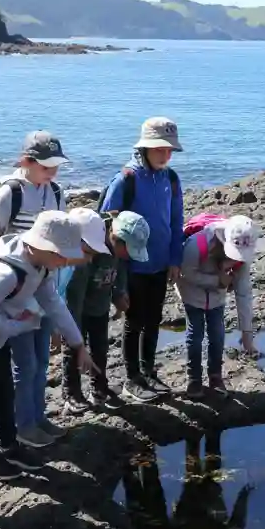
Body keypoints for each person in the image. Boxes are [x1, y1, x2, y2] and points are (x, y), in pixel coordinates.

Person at [0, 211, 93, 481]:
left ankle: (9, 446)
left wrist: (78, 343)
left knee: (6, 394)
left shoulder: (40, 266)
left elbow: (54, 304)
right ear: (42, 246)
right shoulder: (6, 272)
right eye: (61, 254)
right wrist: (16, 327)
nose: (65, 261)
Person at [0, 131, 71, 444]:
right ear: (26, 161)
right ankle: (22, 426)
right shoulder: (10, 193)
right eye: (45, 165)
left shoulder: (55, 191)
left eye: (55, 165)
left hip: (46, 287)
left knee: (41, 362)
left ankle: (38, 417)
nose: (52, 171)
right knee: (24, 365)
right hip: (16, 293)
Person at [99, 117, 184, 403]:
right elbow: (108, 228)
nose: (166, 155)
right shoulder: (126, 179)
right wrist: (116, 280)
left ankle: (149, 371)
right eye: (160, 149)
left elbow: (176, 221)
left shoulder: (170, 178)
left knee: (154, 319)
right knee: (133, 322)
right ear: (145, 148)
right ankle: (131, 378)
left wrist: (175, 259)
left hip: (160, 263)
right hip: (132, 266)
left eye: (170, 150)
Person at [62, 208, 151, 411]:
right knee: (74, 351)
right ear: (116, 238)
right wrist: (72, 333)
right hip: (79, 309)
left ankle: (100, 388)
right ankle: (72, 393)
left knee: (101, 349)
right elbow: (75, 296)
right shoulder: (89, 254)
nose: (128, 256)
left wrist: (119, 293)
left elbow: (120, 270)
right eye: (128, 251)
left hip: (100, 306)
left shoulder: (118, 250)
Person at [176, 214, 259, 396]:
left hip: (217, 296)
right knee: (195, 333)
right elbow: (185, 274)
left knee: (217, 333)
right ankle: (194, 380)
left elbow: (243, 292)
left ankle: (215, 377)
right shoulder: (197, 245)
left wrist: (247, 333)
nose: (237, 259)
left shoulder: (243, 252)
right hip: (191, 292)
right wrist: (218, 280)